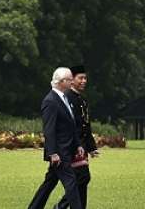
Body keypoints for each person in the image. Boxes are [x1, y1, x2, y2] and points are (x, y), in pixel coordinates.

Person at [28, 67, 84, 209]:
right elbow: (49, 129)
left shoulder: (65, 98)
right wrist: (53, 153)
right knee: (71, 183)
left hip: (66, 150)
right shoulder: (50, 101)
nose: (72, 82)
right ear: (60, 82)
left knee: (49, 183)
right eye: (69, 80)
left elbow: (71, 125)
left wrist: (78, 145)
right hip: (59, 152)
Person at [55, 65, 99, 209]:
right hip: (72, 146)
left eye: (85, 78)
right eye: (80, 78)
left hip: (82, 147)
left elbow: (86, 125)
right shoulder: (67, 98)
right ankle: (60, 207)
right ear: (72, 80)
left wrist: (91, 147)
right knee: (82, 178)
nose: (84, 81)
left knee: (82, 180)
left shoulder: (83, 100)